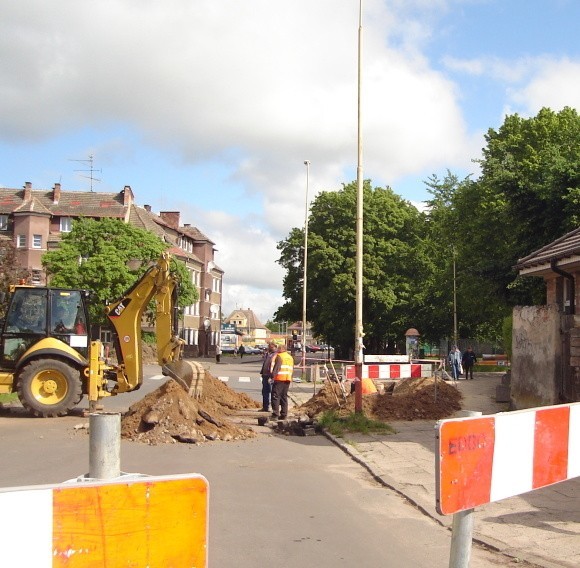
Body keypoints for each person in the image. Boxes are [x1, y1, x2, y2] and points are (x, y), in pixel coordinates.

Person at [270, 344, 294, 420]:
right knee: (284, 396)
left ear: (281, 349)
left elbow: (277, 367)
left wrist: (272, 377)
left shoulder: (280, 356)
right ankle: (284, 414)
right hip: (287, 378)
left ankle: (275, 414)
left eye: (278, 348)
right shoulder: (290, 357)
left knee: (275, 396)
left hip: (279, 378)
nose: (277, 350)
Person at [259, 341, 277, 412]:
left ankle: (272, 407)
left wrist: (272, 375)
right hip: (265, 375)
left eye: (271, 347)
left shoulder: (276, 355)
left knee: (271, 391)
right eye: (269, 346)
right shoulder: (268, 354)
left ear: (275, 347)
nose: (269, 348)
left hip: (271, 376)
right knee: (265, 391)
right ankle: (265, 407)